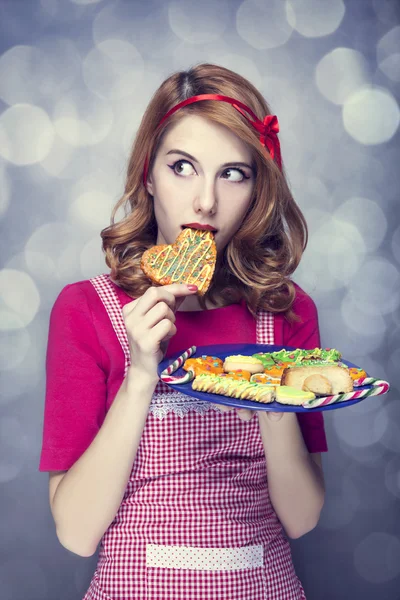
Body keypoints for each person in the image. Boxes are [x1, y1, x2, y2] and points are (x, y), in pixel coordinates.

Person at [39, 63, 327, 600]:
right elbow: (76, 535)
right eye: (182, 167)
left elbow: (303, 518)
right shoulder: (85, 309)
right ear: (149, 175)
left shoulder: (286, 313)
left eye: (232, 173)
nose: (205, 202)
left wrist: (267, 387)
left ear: (257, 188)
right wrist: (140, 375)